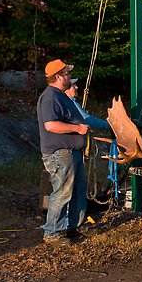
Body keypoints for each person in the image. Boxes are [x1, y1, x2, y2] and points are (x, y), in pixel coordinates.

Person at [37, 59, 89, 246]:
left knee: (77, 190)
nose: (69, 77)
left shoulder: (60, 96)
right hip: (60, 153)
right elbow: (50, 125)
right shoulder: (50, 97)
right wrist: (77, 129)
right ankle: (52, 232)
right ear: (58, 76)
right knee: (62, 192)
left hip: (71, 152)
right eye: (66, 73)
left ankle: (70, 227)